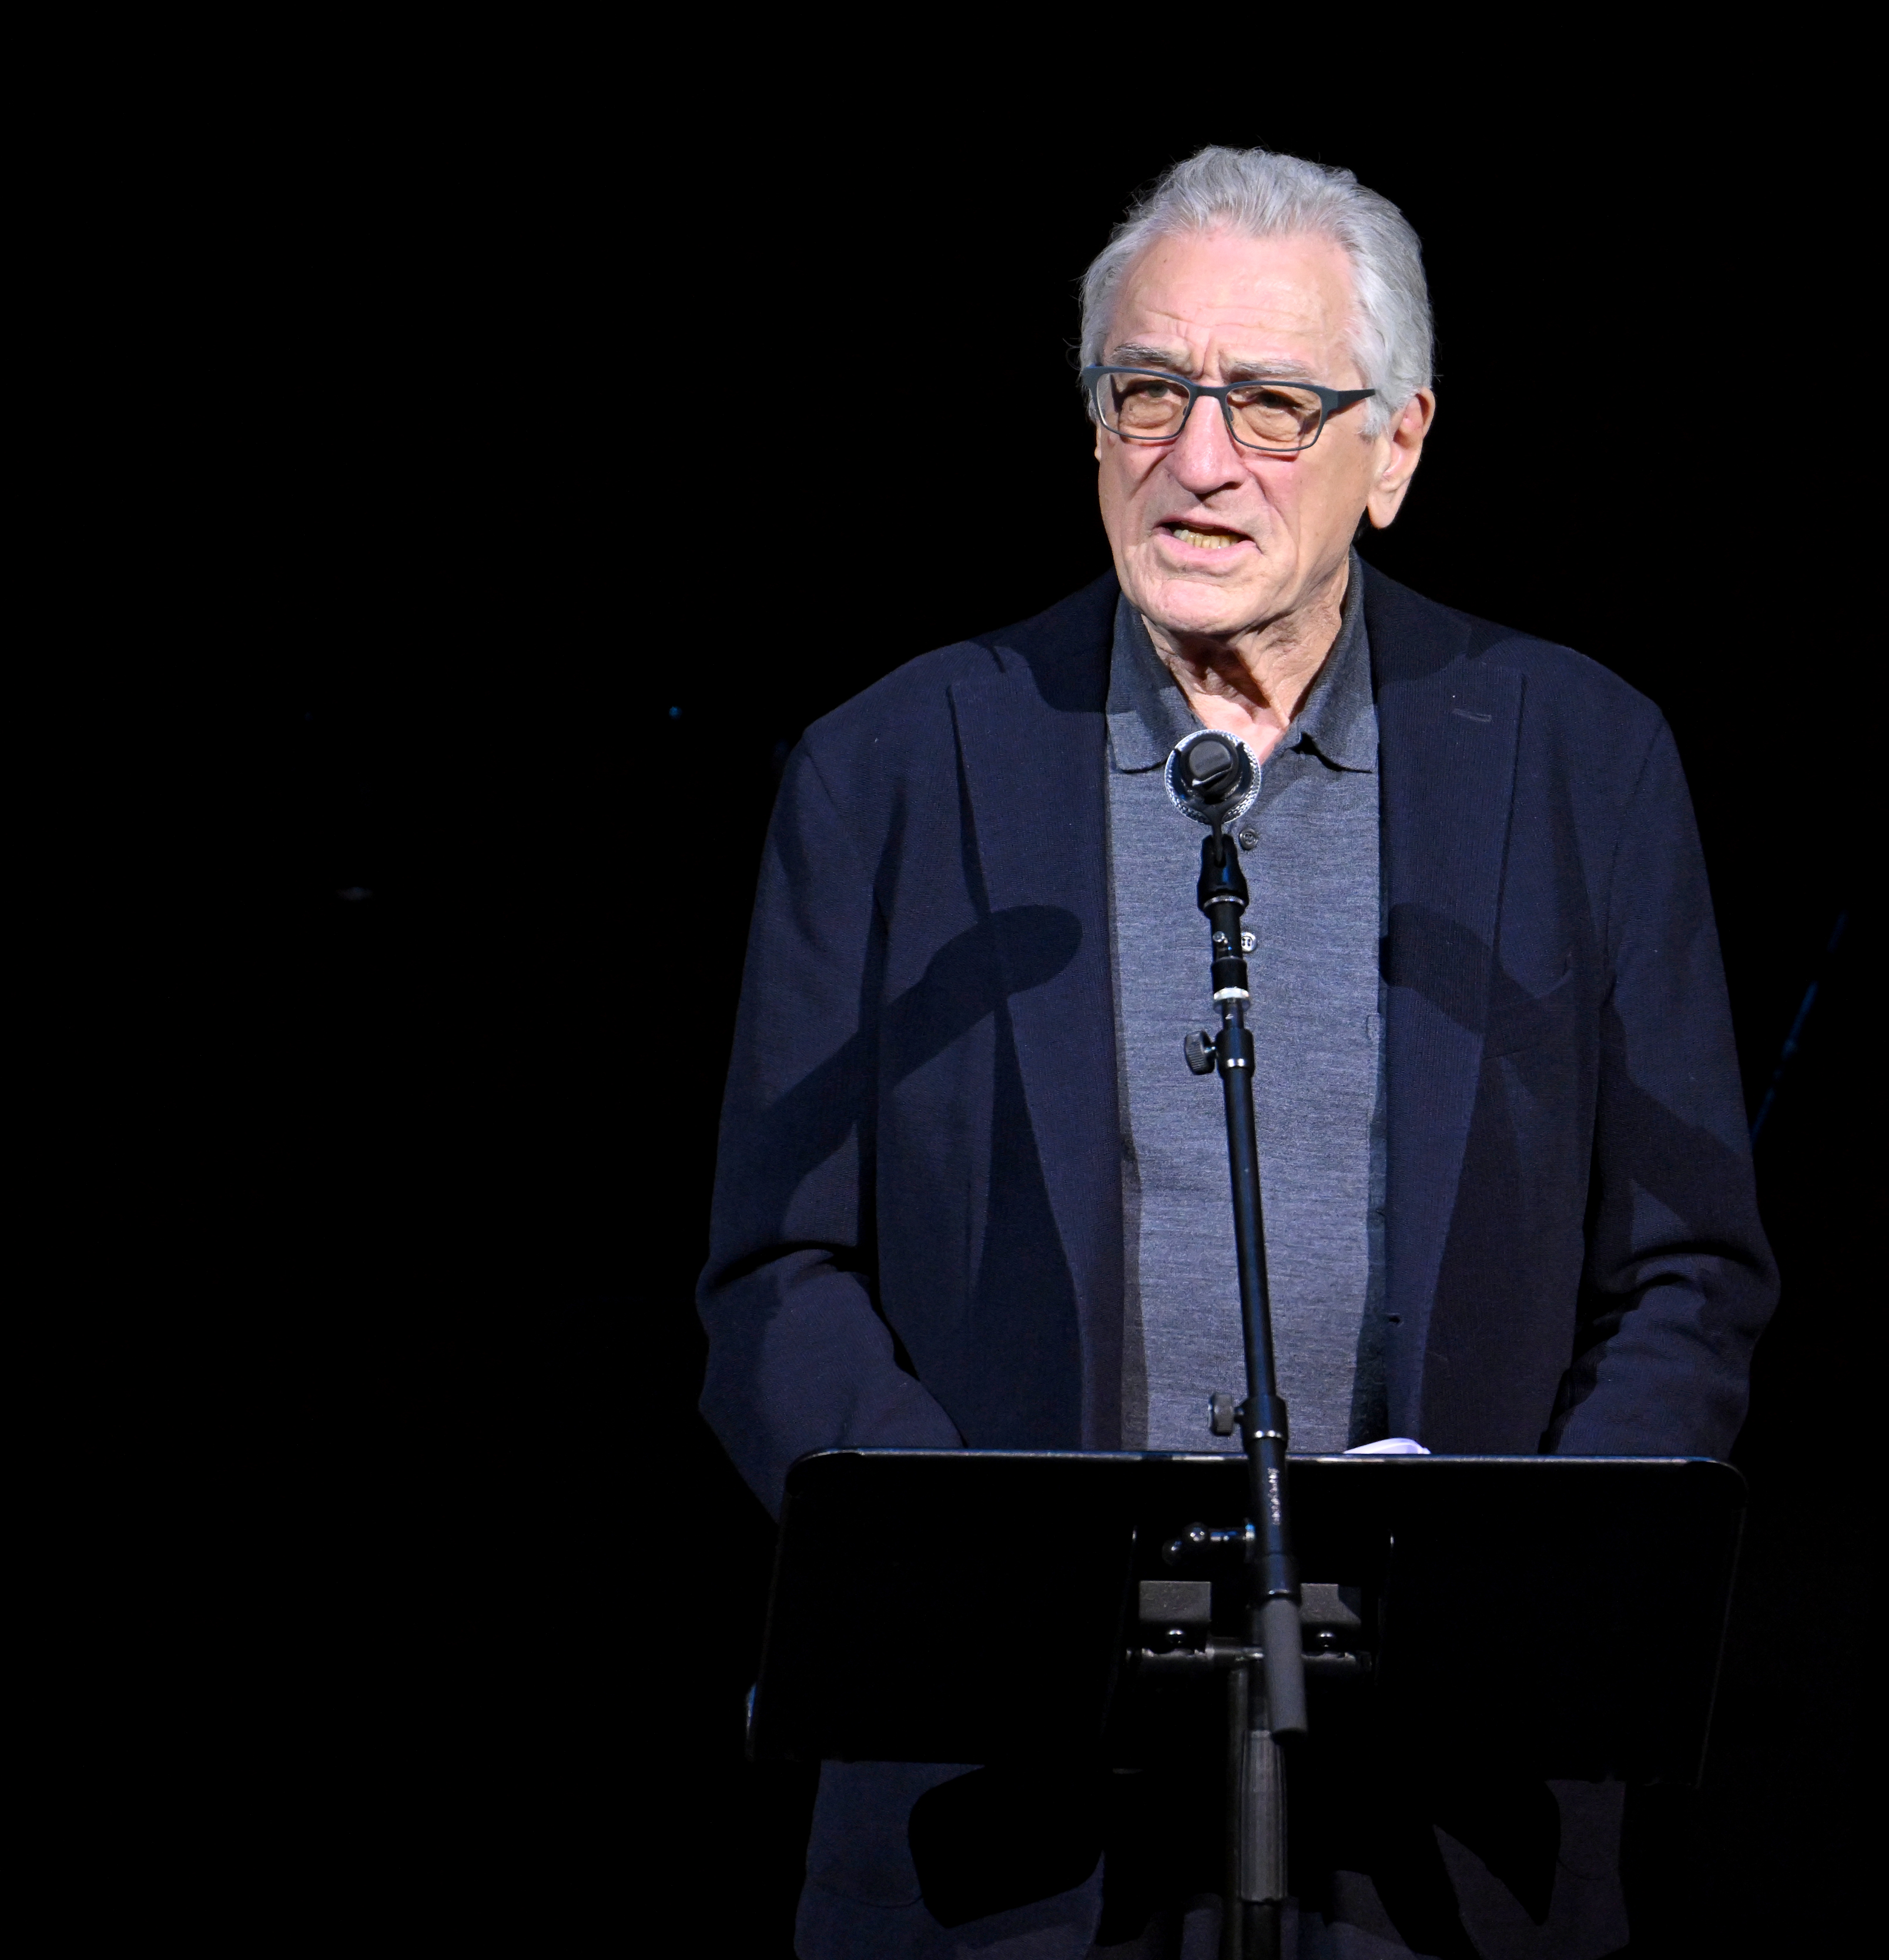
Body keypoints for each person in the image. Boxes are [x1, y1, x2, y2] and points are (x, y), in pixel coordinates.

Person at [701, 145, 1776, 1958]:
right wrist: (1009, 1600)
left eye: (1274, 405)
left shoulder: (1581, 764)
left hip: (1448, 1836)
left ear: (1401, 447)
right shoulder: (889, 772)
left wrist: (1506, 1605)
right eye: (1150, 392)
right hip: (1006, 1826)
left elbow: (1685, 1273)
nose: (1201, 462)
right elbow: (777, 1277)